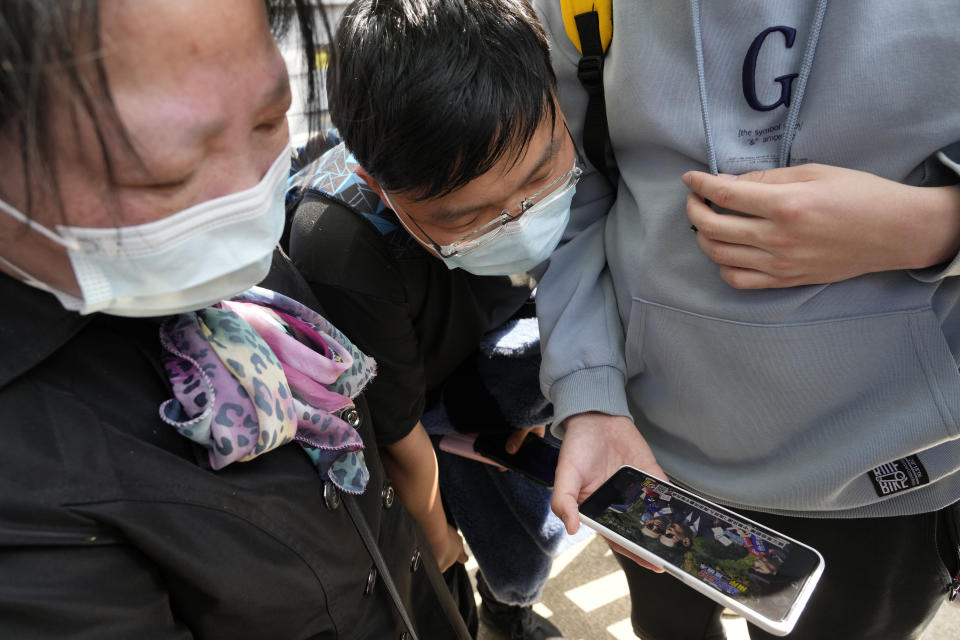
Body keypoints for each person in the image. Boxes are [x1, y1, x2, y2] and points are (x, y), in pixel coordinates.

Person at [0, 1, 472, 637]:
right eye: (165, 174)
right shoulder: (30, 505)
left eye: (268, 121)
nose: (248, 190)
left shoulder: (206, 253)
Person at [531, 1, 960, 639]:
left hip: (884, 469)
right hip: (652, 451)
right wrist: (590, 395)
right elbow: (566, 185)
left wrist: (926, 229)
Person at [286, 1, 579, 638]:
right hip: (413, 396)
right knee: (463, 525)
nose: (522, 219)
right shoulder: (340, 247)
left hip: (500, 341)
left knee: (529, 518)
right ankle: (498, 605)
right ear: (375, 180)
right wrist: (439, 539)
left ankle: (511, 602)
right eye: (469, 216)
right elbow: (394, 432)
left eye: (540, 178)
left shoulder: (567, 106)